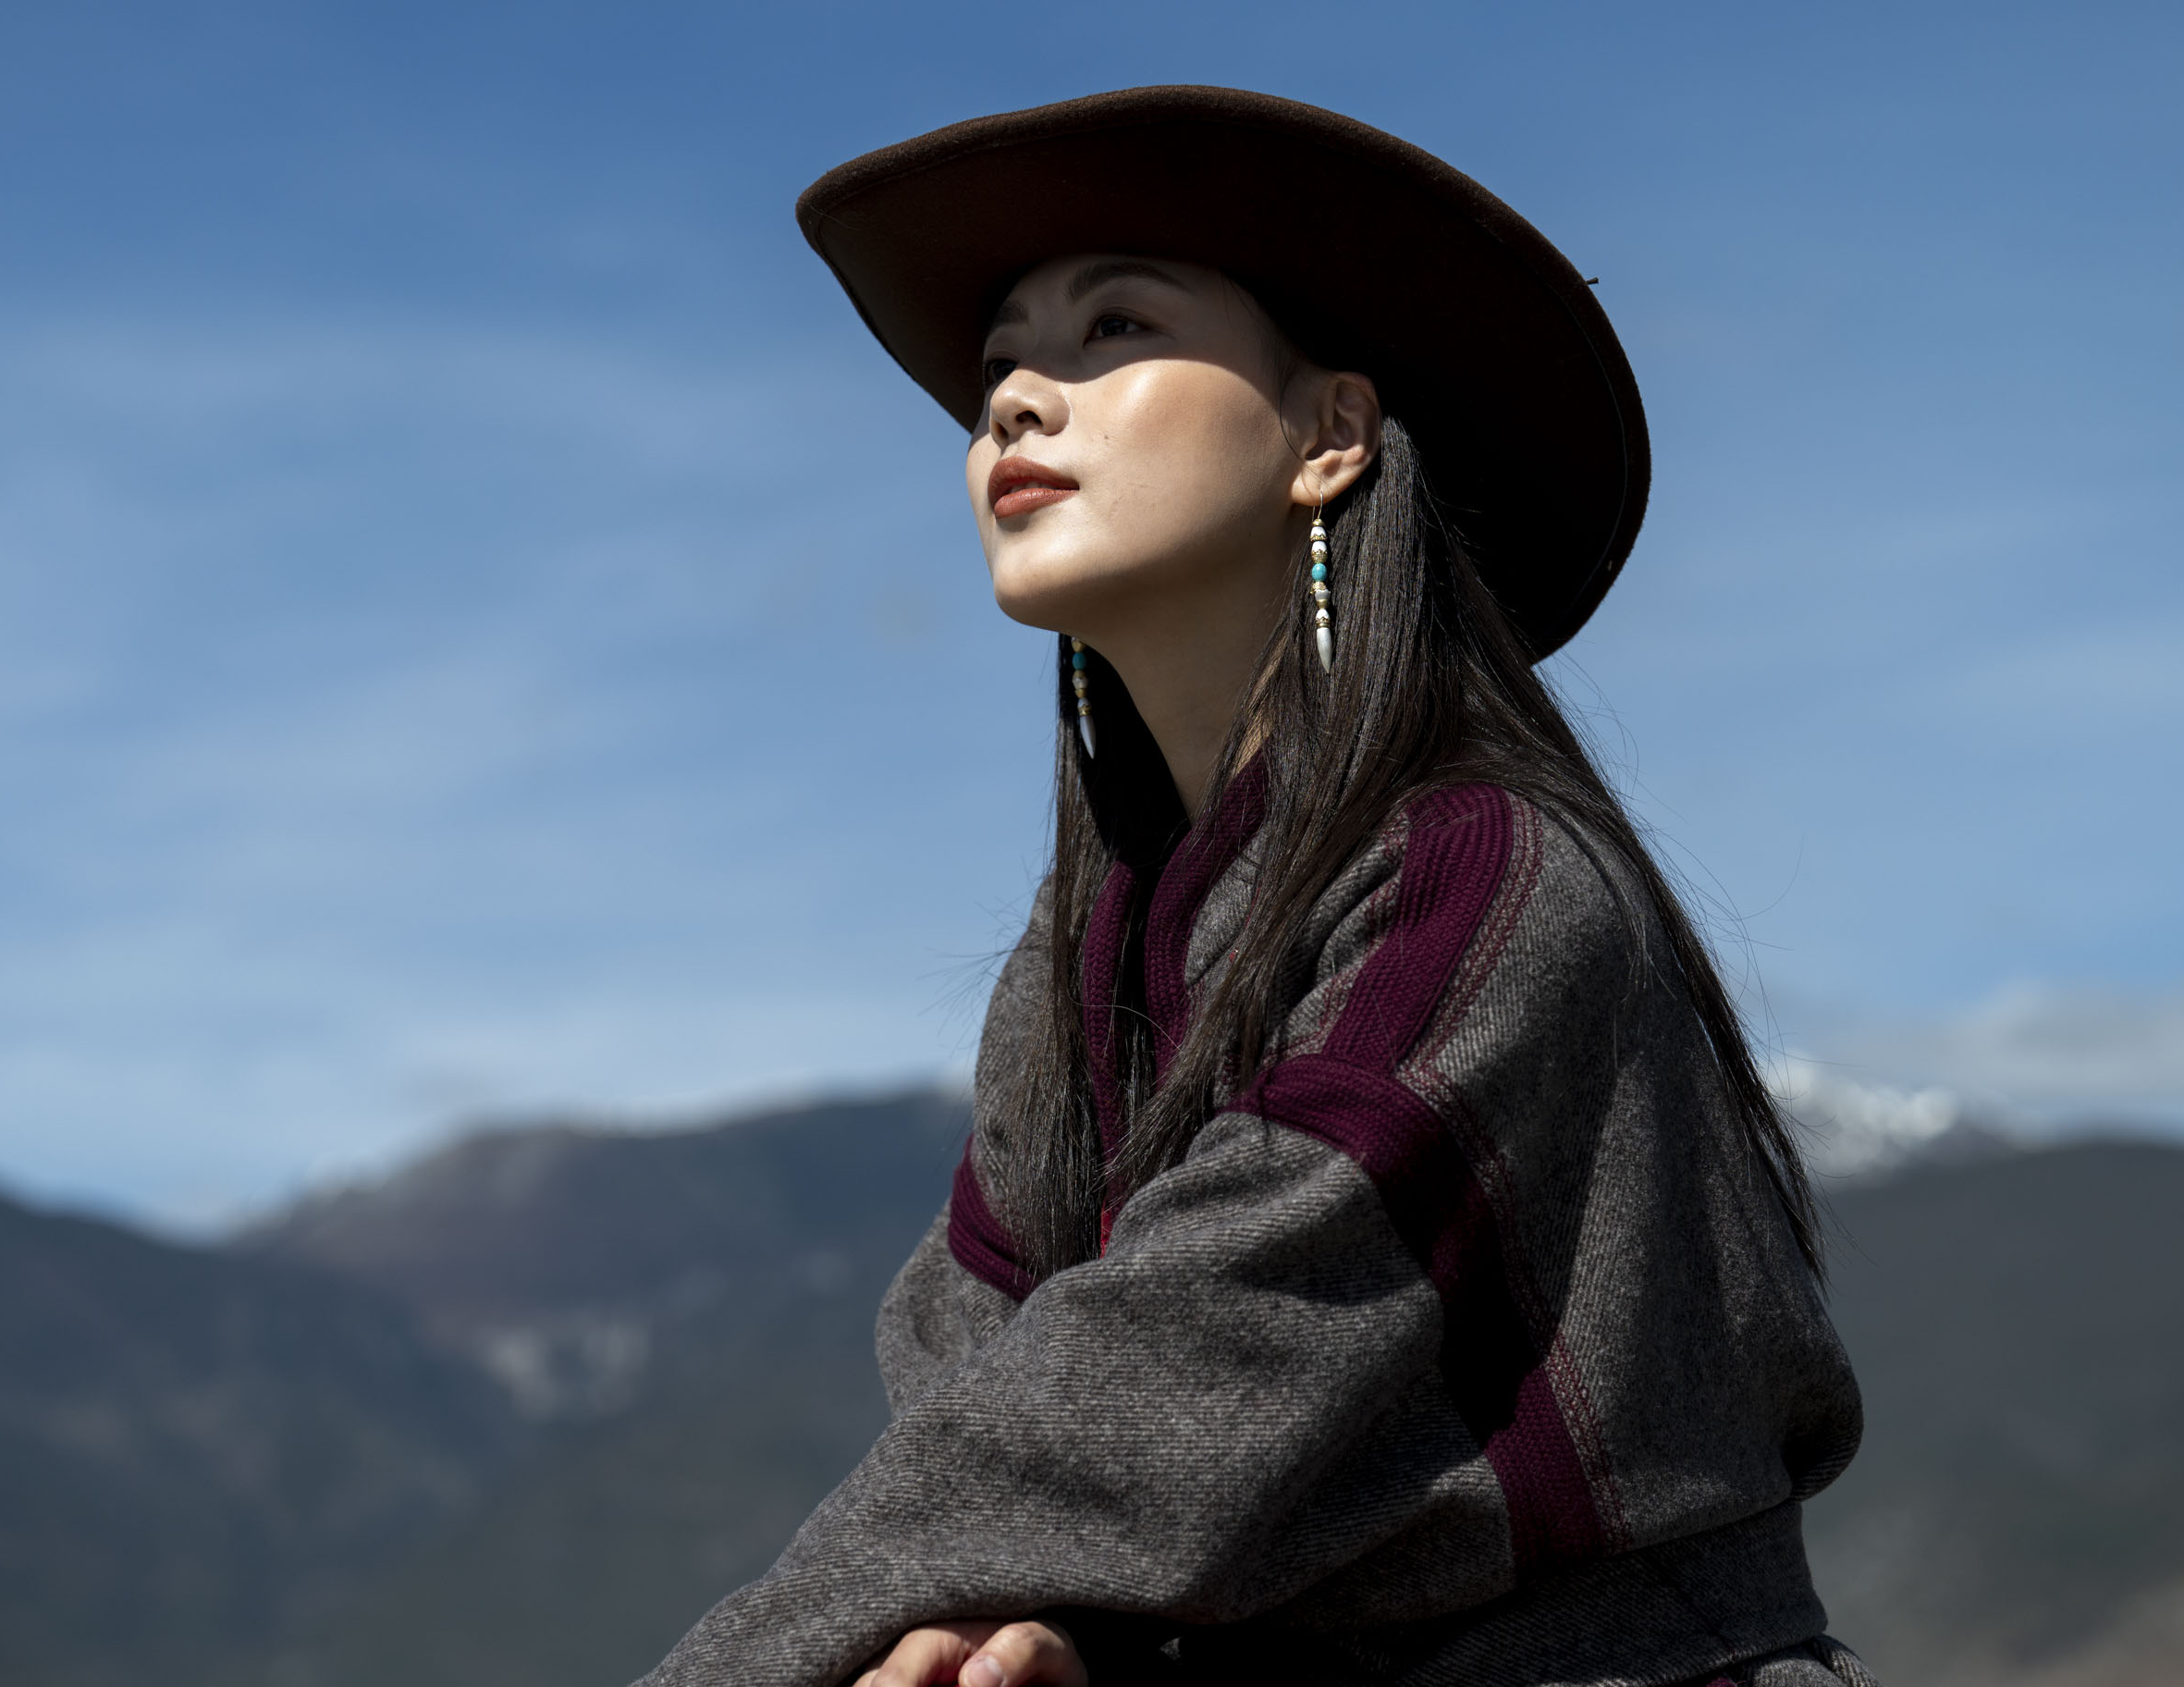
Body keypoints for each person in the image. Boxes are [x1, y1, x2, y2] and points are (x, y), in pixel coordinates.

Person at [640, 88, 1873, 1687]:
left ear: (1331, 433)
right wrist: (1019, 1616)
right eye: (1000, 361)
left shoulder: (1483, 878)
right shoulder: (1076, 964)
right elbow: (980, 1383)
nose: (1014, 395)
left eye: (1113, 327)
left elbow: (1183, 1361)